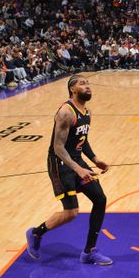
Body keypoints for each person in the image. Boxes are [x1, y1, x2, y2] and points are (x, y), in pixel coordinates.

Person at [26, 75, 113, 265]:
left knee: (100, 199)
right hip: (60, 163)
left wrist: (95, 159)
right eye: (82, 84)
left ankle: (89, 251)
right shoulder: (66, 112)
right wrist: (79, 169)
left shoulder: (87, 112)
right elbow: (58, 148)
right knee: (72, 212)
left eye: (88, 83)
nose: (88, 86)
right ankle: (35, 233)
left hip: (75, 160)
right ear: (72, 89)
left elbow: (83, 139)